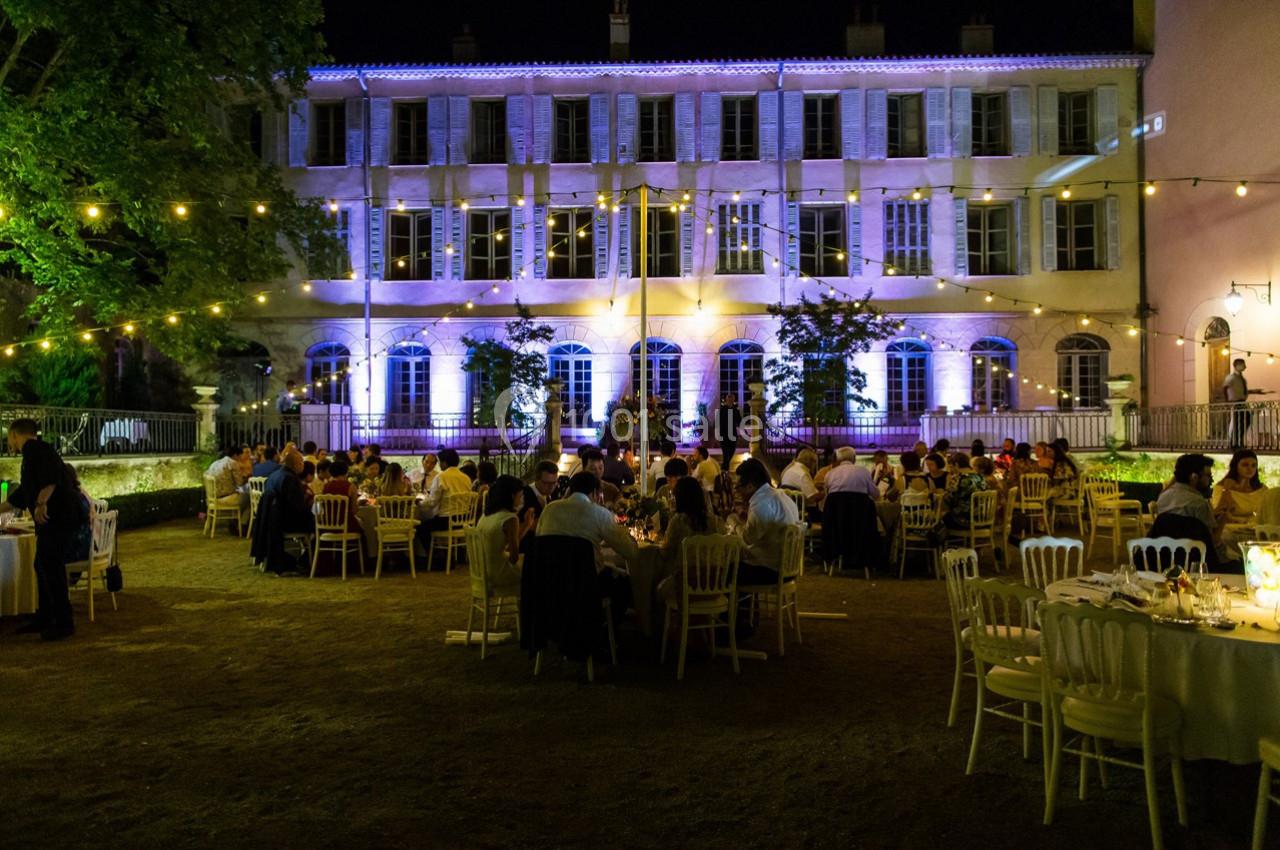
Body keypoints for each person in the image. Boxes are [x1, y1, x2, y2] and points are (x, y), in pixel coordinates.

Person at [0, 419, 83, 640]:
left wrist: (41, 504)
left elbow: (51, 479)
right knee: (42, 565)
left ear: (16, 435)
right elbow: (23, 493)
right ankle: (46, 617)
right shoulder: (35, 452)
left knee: (51, 567)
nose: (10, 442)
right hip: (54, 520)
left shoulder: (35, 449)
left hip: (57, 519)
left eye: (10, 437)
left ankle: (63, 623)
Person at [537, 471, 638, 565]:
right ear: (595, 492)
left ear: (569, 490)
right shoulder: (600, 513)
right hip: (586, 578)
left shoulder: (549, 509)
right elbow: (630, 551)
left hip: (549, 576)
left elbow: (539, 538)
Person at [656, 476, 726, 606]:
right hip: (714, 585)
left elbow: (666, 552)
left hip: (685, 587)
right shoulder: (716, 521)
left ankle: (668, 623)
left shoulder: (678, 521)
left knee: (657, 589)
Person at [732, 457, 800, 584]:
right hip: (788, 567)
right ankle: (750, 604)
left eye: (738, 487)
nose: (737, 492)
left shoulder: (760, 504)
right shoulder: (781, 495)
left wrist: (733, 522)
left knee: (726, 570)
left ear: (750, 486)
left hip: (771, 570)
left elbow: (747, 539)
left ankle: (743, 604)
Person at [251, 450, 313, 575]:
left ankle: (303, 560)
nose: (303, 465)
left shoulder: (275, 475)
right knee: (322, 526)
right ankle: (306, 561)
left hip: (273, 520)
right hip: (286, 521)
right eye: (301, 462)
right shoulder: (290, 479)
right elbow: (296, 509)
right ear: (295, 465)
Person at [475, 475, 534, 590]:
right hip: (498, 574)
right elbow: (514, 557)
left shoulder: (486, 515)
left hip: (482, 571)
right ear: (512, 496)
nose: (521, 499)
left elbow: (502, 547)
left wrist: (526, 525)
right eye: (520, 495)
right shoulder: (510, 518)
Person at [1157, 454, 1220, 543]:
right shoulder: (1198, 503)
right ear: (1194, 477)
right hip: (1194, 554)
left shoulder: (1163, 496)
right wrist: (1224, 518)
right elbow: (1211, 541)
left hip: (1165, 552)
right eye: (1208, 476)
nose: (1211, 480)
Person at [1215, 449, 1267, 523]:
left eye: (1253, 465)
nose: (1250, 469)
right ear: (1235, 466)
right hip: (1229, 529)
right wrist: (1226, 490)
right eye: (1245, 465)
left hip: (1253, 528)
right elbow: (1218, 513)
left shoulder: (1261, 489)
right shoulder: (1222, 487)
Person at [942, 453, 989, 529]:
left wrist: (946, 489)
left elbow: (948, 500)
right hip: (982, 518)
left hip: (964, 520)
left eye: (951, 467)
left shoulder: (960, 479)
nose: (951, 470)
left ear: (956, 465)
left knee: (940, 519)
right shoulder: (981, 477)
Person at [1223, 358, 1261, 450]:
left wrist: (1254, 391)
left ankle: (1237, 442)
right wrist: (1227, 402)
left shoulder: (1241, 378)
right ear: (1237, 366)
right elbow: (1225, 388)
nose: (1245, 367)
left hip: (1242, 401)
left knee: (1244, 421)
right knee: (1239, 422)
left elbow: (1241, 390)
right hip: (1236, 402)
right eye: (1243, 365)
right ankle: (1235, 443)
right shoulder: (1231, 378)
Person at [206, 445, 251, 514]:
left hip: (211, 497)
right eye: (240, 456)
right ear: (235, 455)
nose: (240, 458)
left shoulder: (215, 463)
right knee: (249, 497)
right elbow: (240, 483)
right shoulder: (233, 463)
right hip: (224, 497)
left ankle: (235, 519)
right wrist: (248, 477)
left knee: (241, 494)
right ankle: (241, 521)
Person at [322, 462, 362, 533]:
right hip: (347, 525)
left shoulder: (325, 486)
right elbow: (354, 510)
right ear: (346, 472)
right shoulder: (351, 487)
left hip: (327, 525)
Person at [521, 460, 561, 526]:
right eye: (546, 483)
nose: (551, 487)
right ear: (536, 479)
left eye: (554, 483)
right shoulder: (524, 495)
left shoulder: (556, 494)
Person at [715, 393, 743, 468]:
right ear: (726, 400)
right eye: (729, 400)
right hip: (723, 434)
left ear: (733, 400)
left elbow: (739, 421)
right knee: (725, 452)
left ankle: (724, 466)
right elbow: (718, 422)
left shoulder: (735, 410)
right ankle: (725, 467)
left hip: (732, 434)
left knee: (731, 451)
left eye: (732, 400)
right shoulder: (722, 410)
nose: (730, 401)